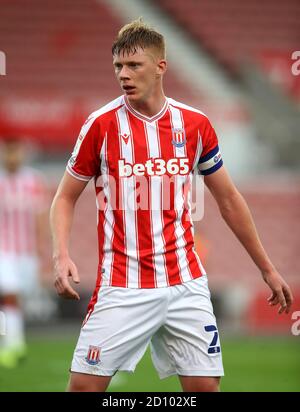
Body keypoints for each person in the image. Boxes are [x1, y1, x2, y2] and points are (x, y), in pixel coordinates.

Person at [50, 19, 293, 392]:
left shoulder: (195, 125)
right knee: (83, 387)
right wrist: (61, 254)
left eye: (134, 65)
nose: (124, 75)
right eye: (118, 66)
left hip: (185, 284)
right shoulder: (99, 125)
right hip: (123, 284)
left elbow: (228, 199)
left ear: (160, 66)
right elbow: (65, 197)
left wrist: (267, 269)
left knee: (204, 388)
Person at [0, 138, 48, 368]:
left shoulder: (33, 181)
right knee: (9, 294)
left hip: (26, 252)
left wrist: (41, 250)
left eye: (15, 152)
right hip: (3, 250)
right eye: (8, 152)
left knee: (16, 299)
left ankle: (12, 341)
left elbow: (39, 216)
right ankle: (14, 345)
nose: (12, 157)